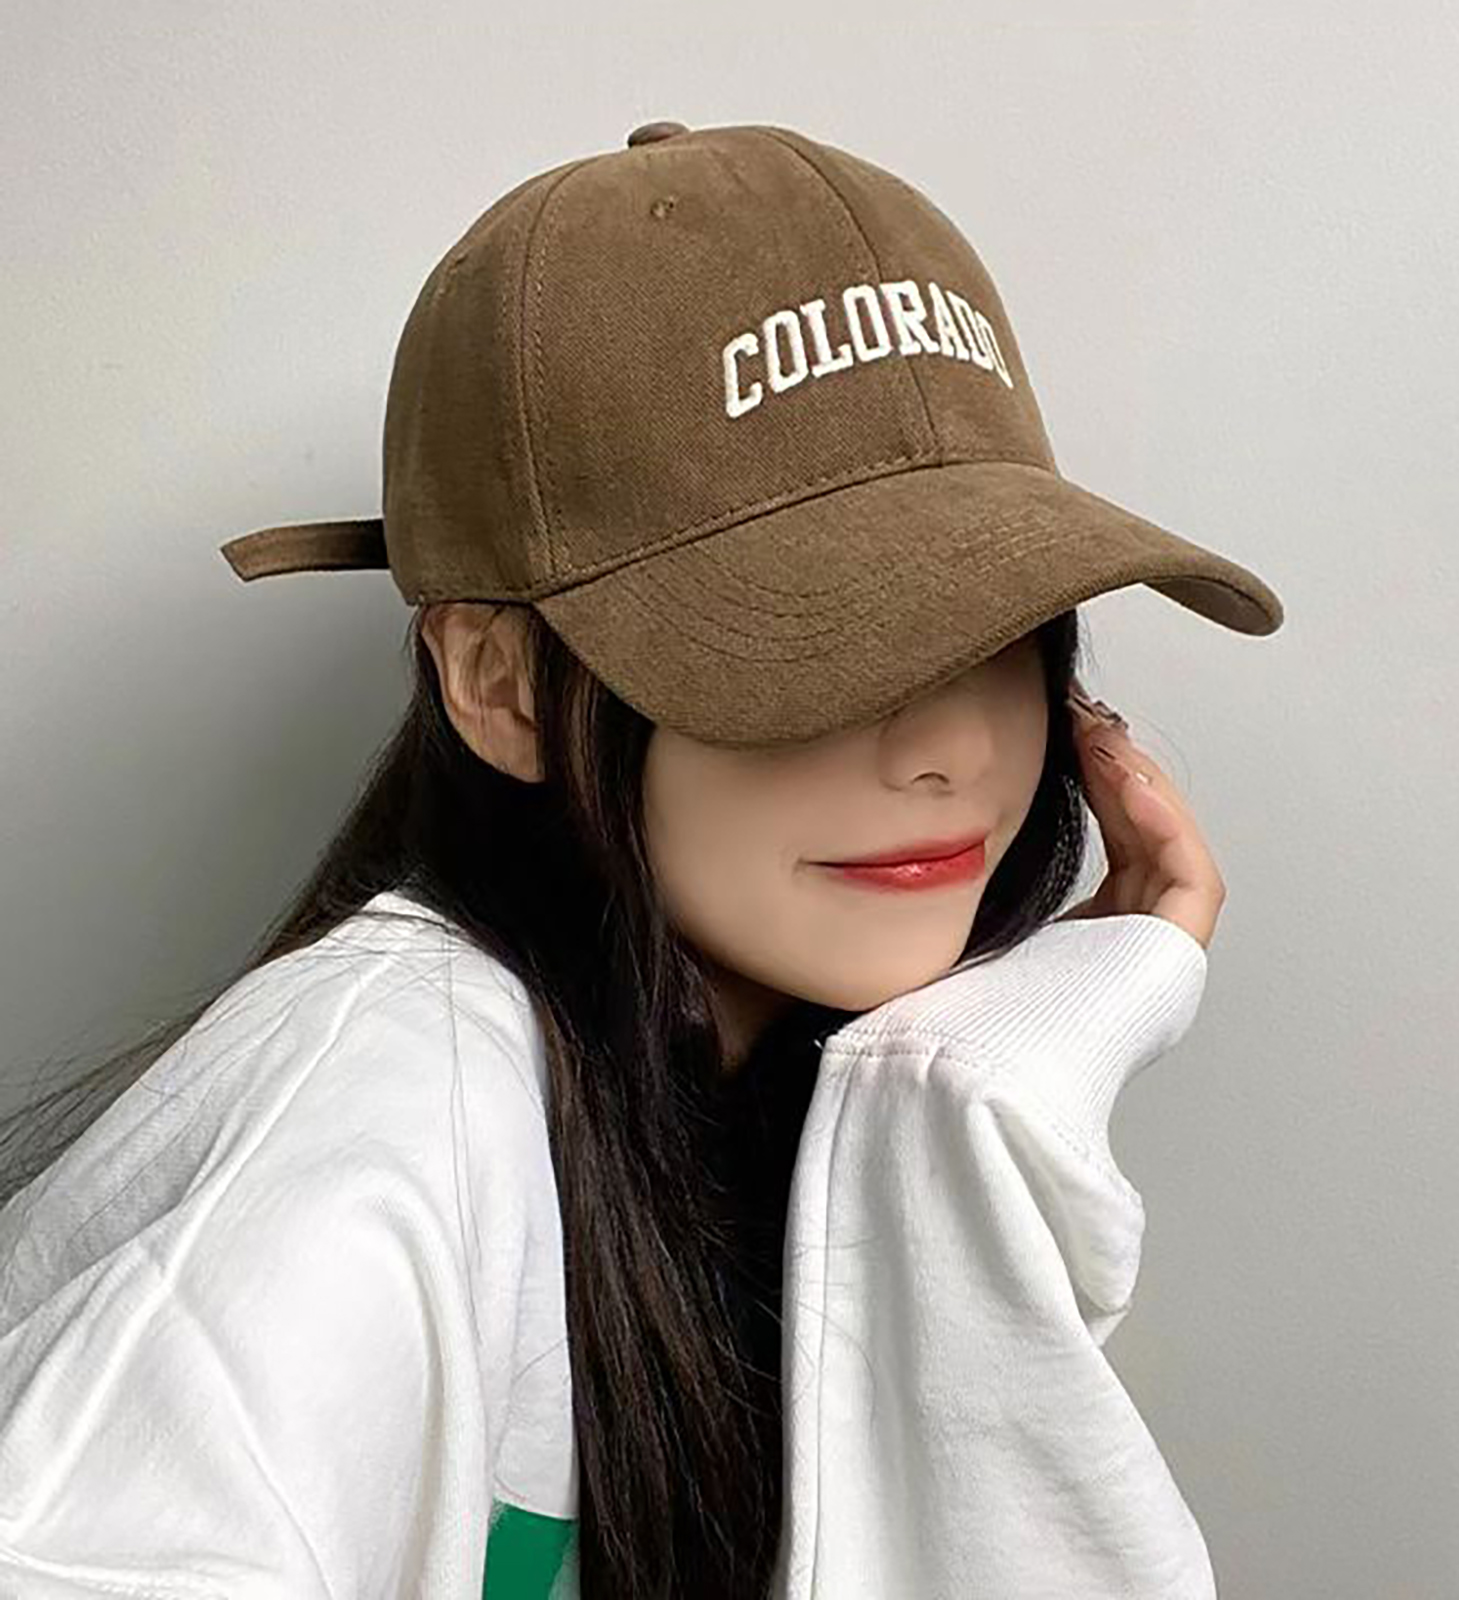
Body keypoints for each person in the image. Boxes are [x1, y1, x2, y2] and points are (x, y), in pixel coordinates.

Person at [0, 120, 1283, 1599]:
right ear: (503, 687)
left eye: (994, 628)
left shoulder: (745, 1079)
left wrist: (974, 1104)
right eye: (825, 639)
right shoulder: (375, 1135)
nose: (946, 751)